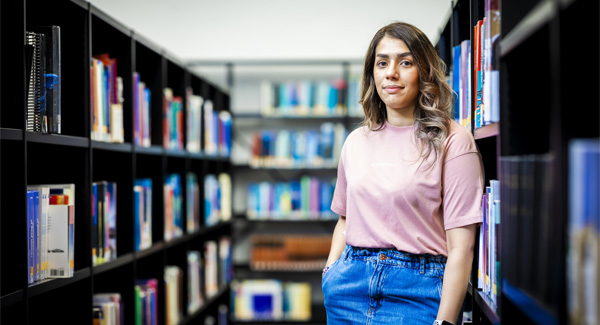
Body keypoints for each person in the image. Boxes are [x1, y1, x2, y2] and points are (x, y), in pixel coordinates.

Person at [322, 21, 483, 325]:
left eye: (405, 62)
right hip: (347, 291)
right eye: (382, 63)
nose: (391, 73)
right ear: (373, 72)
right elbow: (345, 218)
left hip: (417, 294)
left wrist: (444, 322)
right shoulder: (356, 141)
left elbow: (462, 247)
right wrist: (330, 272)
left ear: (424, 71)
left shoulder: (453, 140)